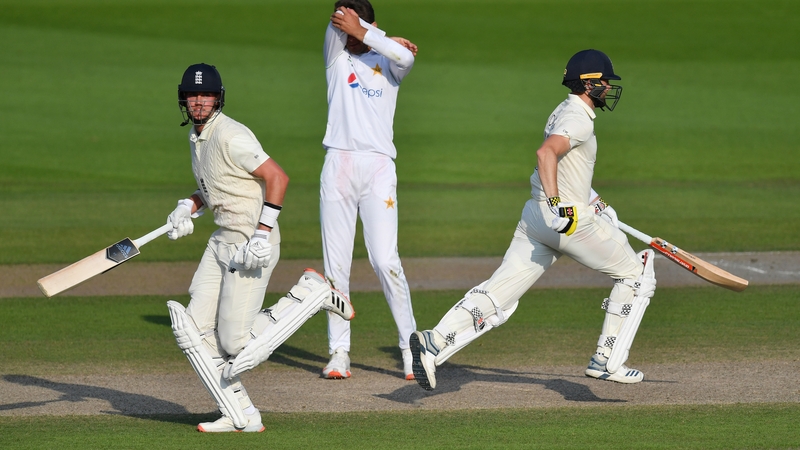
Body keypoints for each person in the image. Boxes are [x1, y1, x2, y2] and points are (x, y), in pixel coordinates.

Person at [409, 49, 657, 390]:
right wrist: (560, 205)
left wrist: (596, 201)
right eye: (603, 81)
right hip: (568, 222)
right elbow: (546, 154)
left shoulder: (564, 109)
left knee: (500, 295)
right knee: (636, 274)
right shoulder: (580, 118)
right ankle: (608, 360)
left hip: (535, 219)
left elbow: (566, 167)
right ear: (587, 84)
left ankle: (434, 341)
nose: (607, 87)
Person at [165, 63, 355, 432]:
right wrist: (187, 207)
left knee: (236, 344)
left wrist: (261, 234)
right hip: (222, 241)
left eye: (206, 96)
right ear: (183, 100)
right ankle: (241, 415)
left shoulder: (231, 135)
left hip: (252, 244)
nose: (200, 103)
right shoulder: (198, 137)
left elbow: (277, 177)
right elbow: (216, 188)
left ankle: (312, 293)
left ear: (218, 98)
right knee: (194, 331)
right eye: (193, 96)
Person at [319, 0, 419, 380]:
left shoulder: (390, 62)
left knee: (385, 260)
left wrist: (371, 35)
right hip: (338, 164)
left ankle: (411, 348)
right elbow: (341, 30)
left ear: (371, 23)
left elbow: (406, 59)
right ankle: (339, 352)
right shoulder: (336, 54)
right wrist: (365, 34)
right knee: (336, 267)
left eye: (355, 25)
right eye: (343, 24)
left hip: (378, 167)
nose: (348, 32)